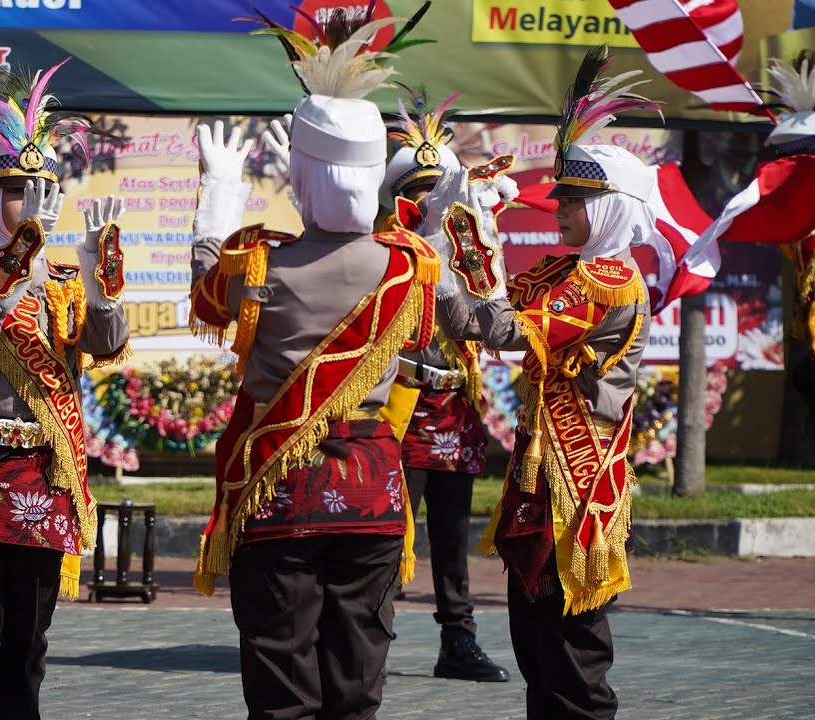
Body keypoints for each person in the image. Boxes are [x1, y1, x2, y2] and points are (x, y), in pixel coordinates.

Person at [189, 11, 438, 718]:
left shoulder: (263, 261)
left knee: (281, 677)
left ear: (300, 173)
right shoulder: (410, 266)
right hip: (374, 489)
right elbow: (471, 322)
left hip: (281, 486)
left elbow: (208, 295)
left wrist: (220, 192)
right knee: (358, 681)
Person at [430, 46, 664, 719]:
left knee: (571, 651)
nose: (559, 207)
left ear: (614, 207)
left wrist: (473, 243)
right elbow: (476, 317)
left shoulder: (607, 282)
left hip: (578, 483)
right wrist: (443, 240)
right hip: (542, 477)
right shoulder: (562, 272)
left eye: (575, 198)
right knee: (535, 644)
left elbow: (504, 327)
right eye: (560, 195)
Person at [0, 60, 130, 720]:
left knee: (27, 645)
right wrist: (23, 257)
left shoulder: (64, 275)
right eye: (17, 193)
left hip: (44, 467)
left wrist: (98, 283)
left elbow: (107, 345)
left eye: (42, 192)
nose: (33, 204)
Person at [378, 90, 513, 683]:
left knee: (454, 531)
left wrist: (480, 231)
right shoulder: (384, 246)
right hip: (400, 403)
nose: (430, 200)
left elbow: (488, 313)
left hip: (454, 400)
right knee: (385, 529)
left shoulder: (460, 241)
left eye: (438, 189)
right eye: (418, 191)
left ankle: (457, 639)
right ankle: (366, 636)